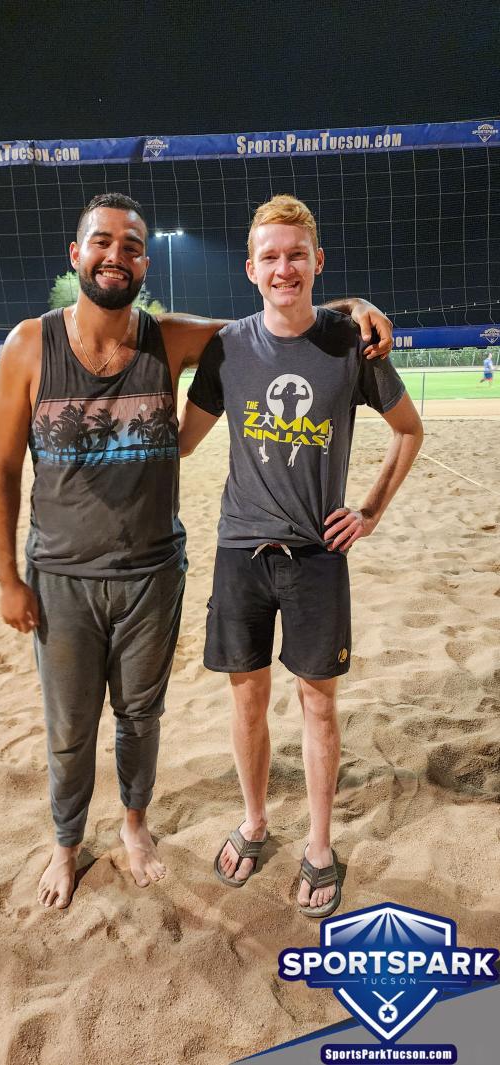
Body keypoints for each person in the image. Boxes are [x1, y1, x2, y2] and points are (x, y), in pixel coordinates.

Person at [0, 191, 393, 910]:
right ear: (76, 254)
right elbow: (1, 471)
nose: (116, 256)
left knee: (141, 716)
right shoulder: (30, 343)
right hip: (60, 572)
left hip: (151, 570)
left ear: (146, 261)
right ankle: (65, 842)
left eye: (132, 246)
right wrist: (7, 579)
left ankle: (136, 826)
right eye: (102, 242)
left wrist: (353, 302)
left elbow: (277, 316)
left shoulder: (170, 338)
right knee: (70, 726)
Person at [179, 194, 423, 918]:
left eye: (296, 254)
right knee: (247, 698)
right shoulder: (229, 347)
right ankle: (255, 822)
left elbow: (409, 430)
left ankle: (319, 844)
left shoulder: (352, 343)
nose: (283, 267)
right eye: (269, 256)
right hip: (239, 551)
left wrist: (371, 509)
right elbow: (183, 441)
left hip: (317, 554)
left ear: (317, 262)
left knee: (318, 705)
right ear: (251, 269)